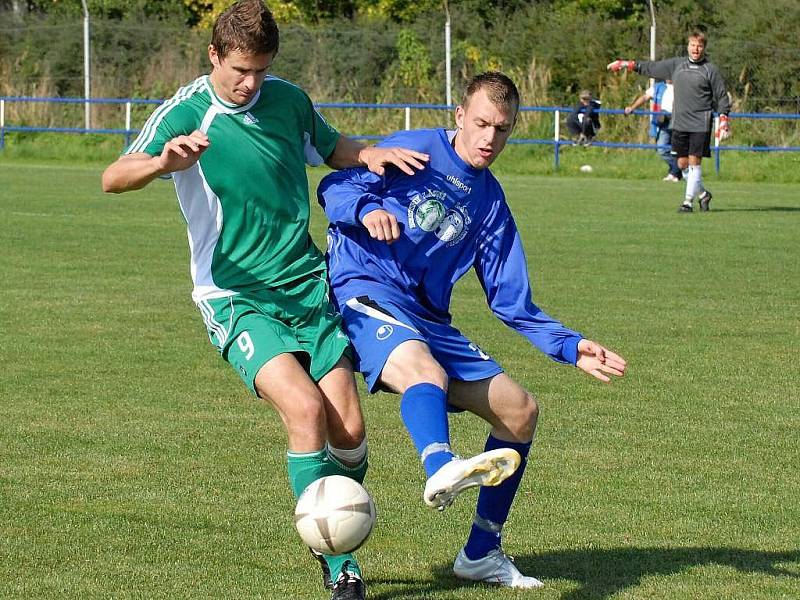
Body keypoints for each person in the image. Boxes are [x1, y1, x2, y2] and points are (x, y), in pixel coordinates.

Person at [101, 2, 428, 599]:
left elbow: (329, 145)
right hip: (235, 294)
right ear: (214, 56)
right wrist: (159, 163)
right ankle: (339, 566)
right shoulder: (186, 110)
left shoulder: (288, 100)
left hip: (306, 285)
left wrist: (369, 154)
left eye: (259, 70)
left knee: (350, 432)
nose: (249, 83)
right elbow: (112, 176)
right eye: (238, 71)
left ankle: (339, 518)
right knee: (304, 412)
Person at [317, 72, 627, 589]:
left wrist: (571, 346)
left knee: (520, 410)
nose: (489, 138)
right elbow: (334, 186)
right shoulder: (414, 150)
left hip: (427, 316)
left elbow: (511, 300)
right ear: (459, 115)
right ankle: (440, 463)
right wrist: (368, 208)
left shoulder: (491, 204)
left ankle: (482, 552)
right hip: (364, 286)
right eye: (481, 123)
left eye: (501, 129)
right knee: (425, 371)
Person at [608, 30, 731, 212]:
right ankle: (703, 194)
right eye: (692, 45)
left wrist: (723, 118)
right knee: (682, 164)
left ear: (704, 48)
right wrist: (626, 64)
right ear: (688, 46)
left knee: (694, 161)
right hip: (679, 122)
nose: (696, 49)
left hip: (700, 121)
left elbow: (722, 96)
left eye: (699, 45)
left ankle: (687, 203)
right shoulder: (677, 65)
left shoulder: (710, 70)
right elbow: (651, 67)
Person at [625, 80, 683, 182]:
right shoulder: (658, 87)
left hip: (679, 120)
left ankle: (674, 173)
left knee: (677, 149)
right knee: (662, 148)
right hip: (663, 120)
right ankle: (680, 168)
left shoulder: (681, 86)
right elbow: (645, 97)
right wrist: (632, 107)